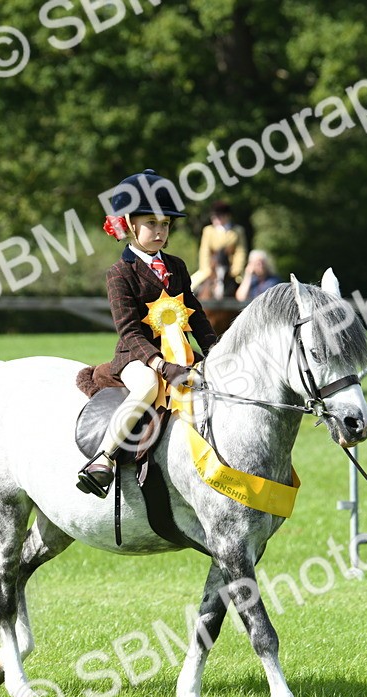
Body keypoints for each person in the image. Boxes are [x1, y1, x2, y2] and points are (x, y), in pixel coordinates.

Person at [76, 169, 219, 497]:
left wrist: (214, 348)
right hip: (137, 358)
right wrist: (159, 365)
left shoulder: (177, 266)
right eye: (151, 223)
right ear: (129, 224)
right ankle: (104, 457)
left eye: (165, 224)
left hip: (180, 354)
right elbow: (128, 330)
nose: (159, 231)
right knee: (148, 387)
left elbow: (194, 313)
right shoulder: (119, 273)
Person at [193, 200, 247, 290]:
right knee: (192, 285)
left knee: (244, 287)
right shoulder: (208, 230)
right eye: (214, 217)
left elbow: (241, 251)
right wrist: (206, 269)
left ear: (227, 216)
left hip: (231, 266)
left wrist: (236, 269)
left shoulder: (237, 231)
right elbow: (204, 251)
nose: (216, 220)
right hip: (211, 266)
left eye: (219, 217)